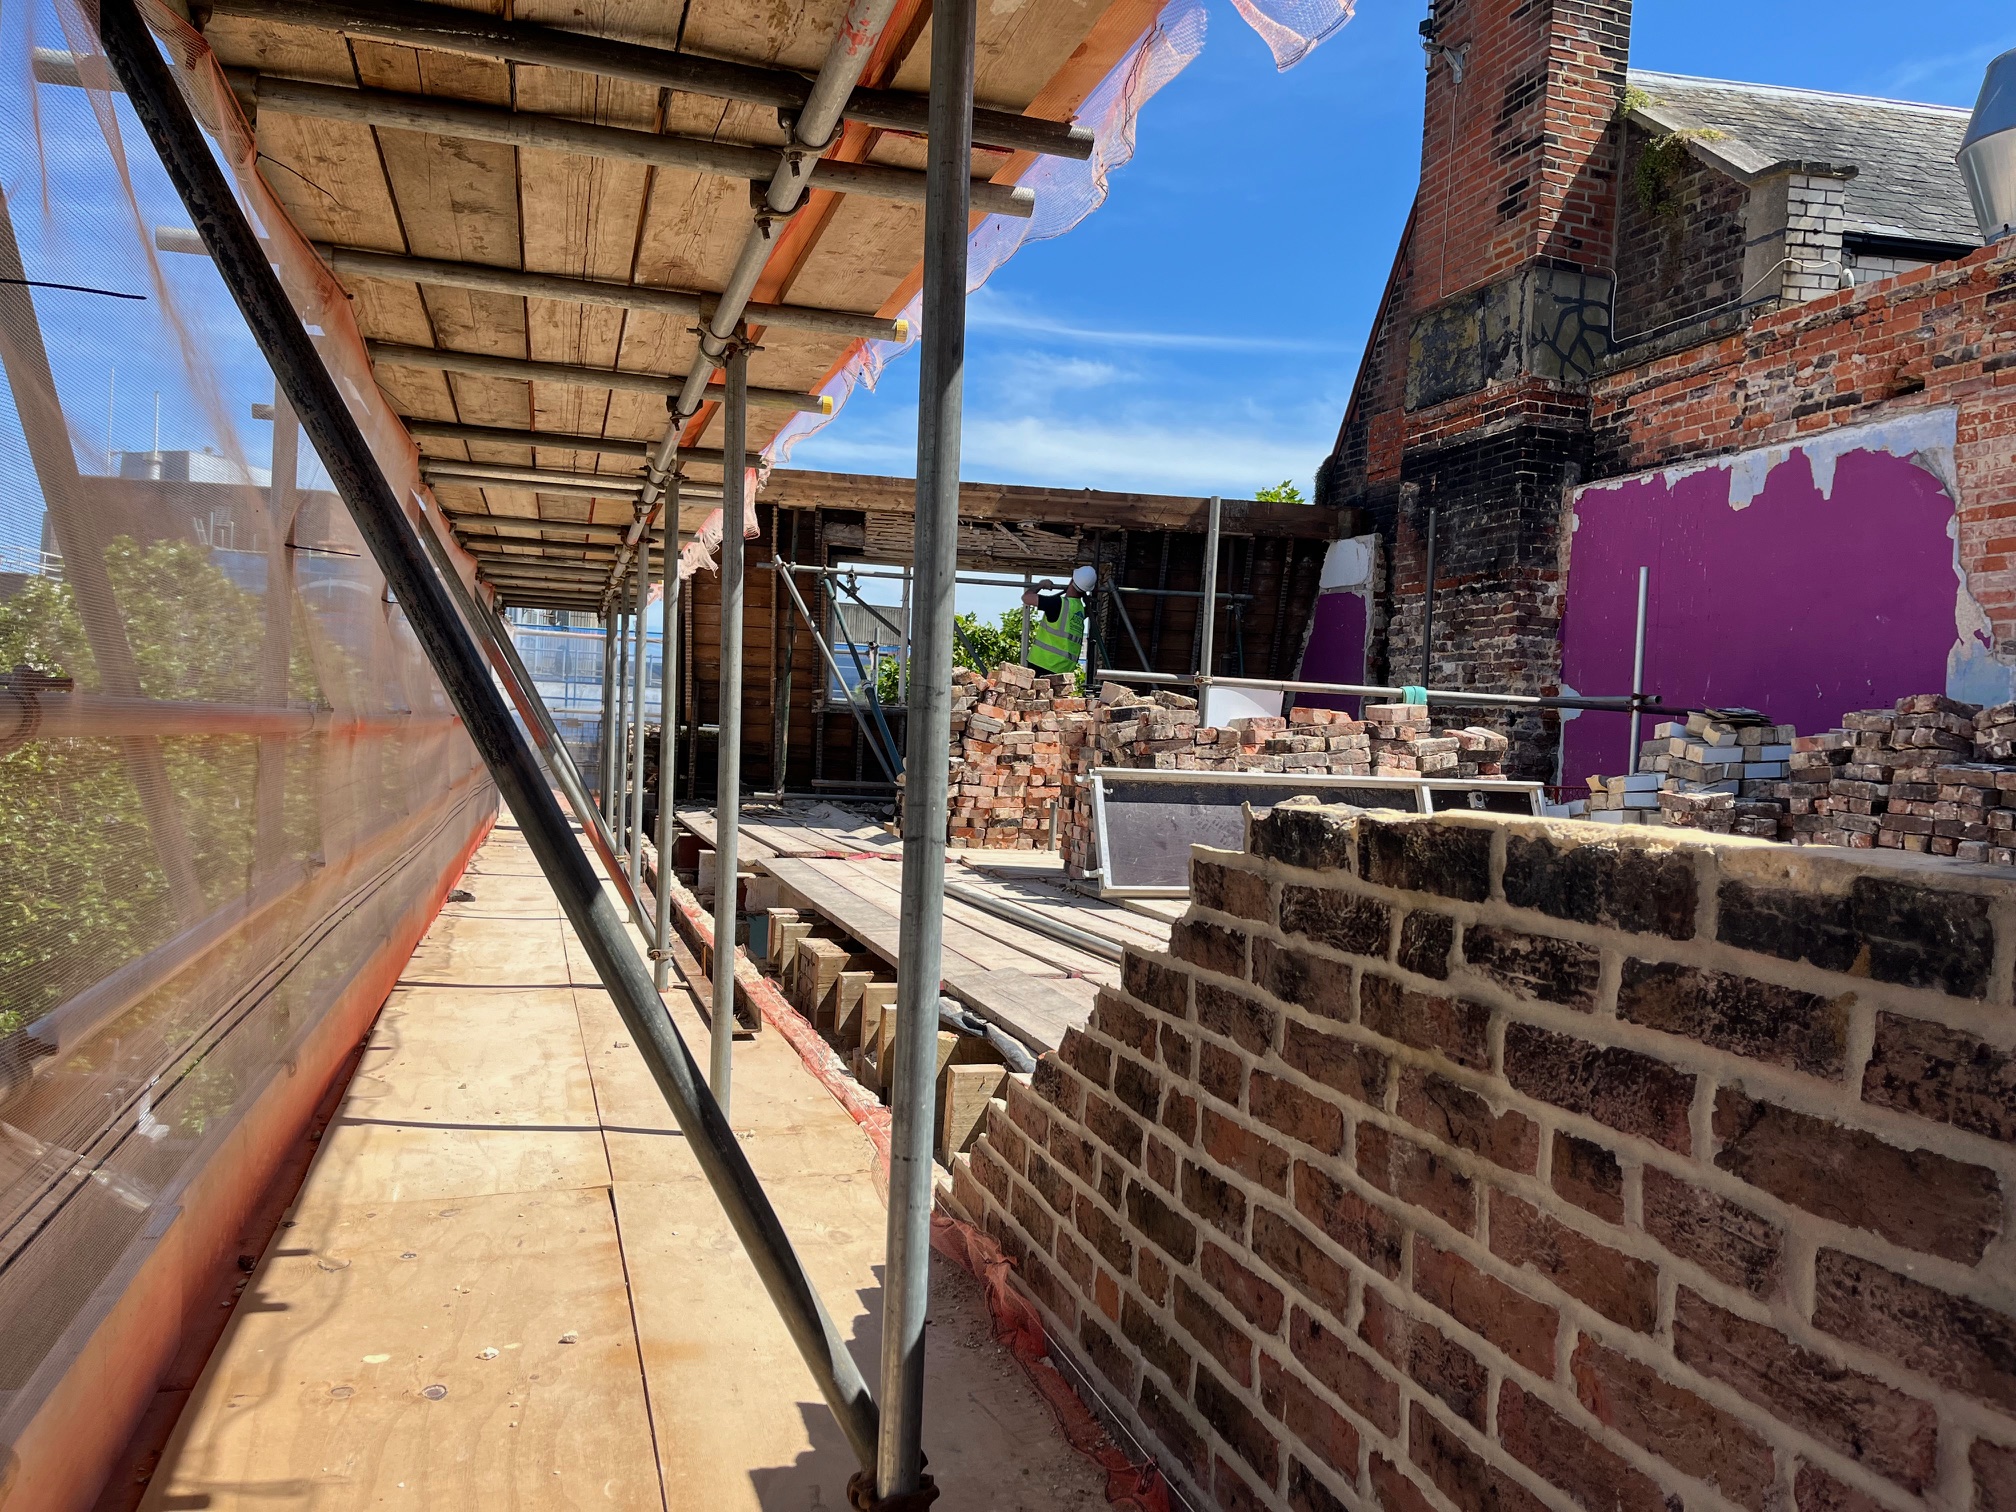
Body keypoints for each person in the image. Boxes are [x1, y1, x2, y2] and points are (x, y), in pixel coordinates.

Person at [1025, 564, 1097, 675]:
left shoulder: (1058, 603)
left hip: (1042, 664)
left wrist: (1041, 585)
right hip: (1064, 671)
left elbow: (1026, 597)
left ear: (1072, 580)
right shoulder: (1080, 610)